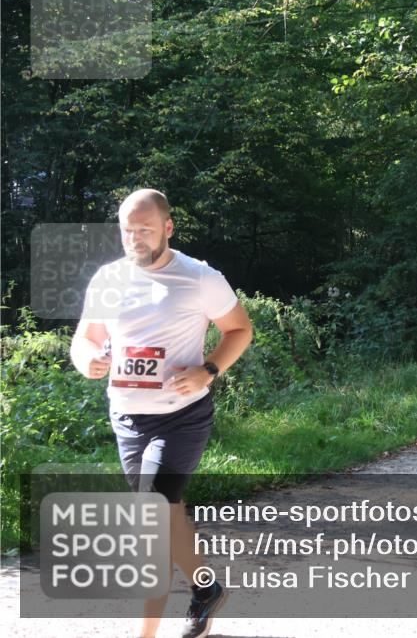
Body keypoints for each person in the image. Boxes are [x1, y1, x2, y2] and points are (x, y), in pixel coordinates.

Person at [70, 189, 253, 638]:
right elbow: (85, 338)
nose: (134, 239)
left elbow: (240, 329)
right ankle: (206, 589)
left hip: (181, 416)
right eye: (127, 231)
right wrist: (87, 359)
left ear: (168, 228)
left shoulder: (200, 278)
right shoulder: (108, 278)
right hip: (128, 419)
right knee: (167, 516)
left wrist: (208, 370)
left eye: (145, 230)